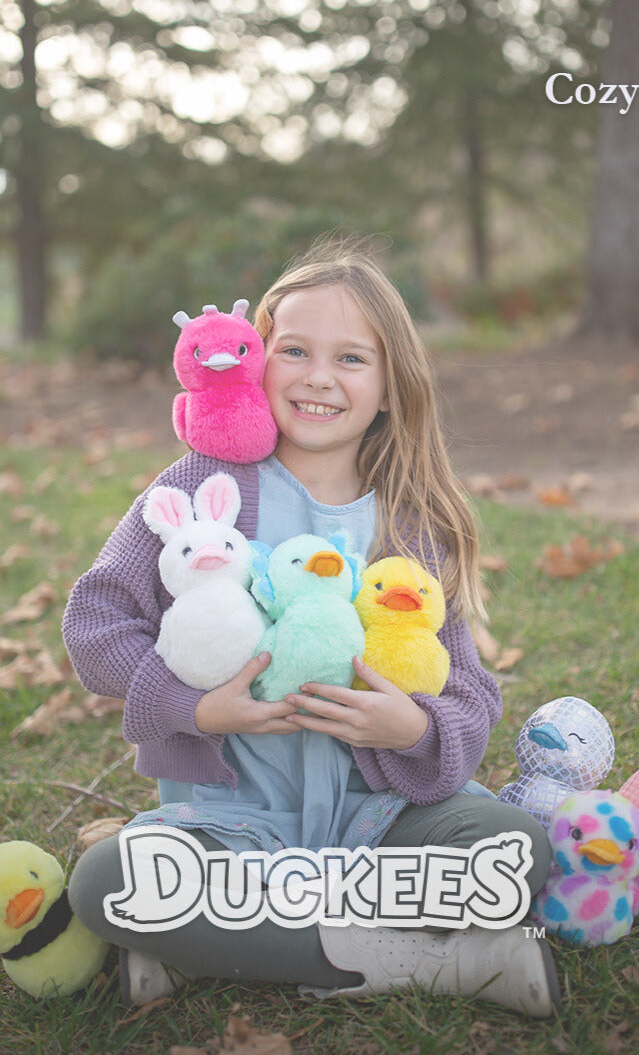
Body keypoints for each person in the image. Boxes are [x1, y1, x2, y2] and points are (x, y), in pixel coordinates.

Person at [64, 239, 558, 1017]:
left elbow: (467, 690)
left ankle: (212, 942)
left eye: (351, 358)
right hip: (230, 825)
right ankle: (442, 961)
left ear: (390, 387)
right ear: (256, 361)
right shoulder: (203, 484)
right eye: (293, 350)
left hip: (381, 819)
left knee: (514, 847)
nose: (318, 376)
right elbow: (95, 620)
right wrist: (195, 709)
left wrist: (410, 728)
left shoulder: (410, 525)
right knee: (105, 882)